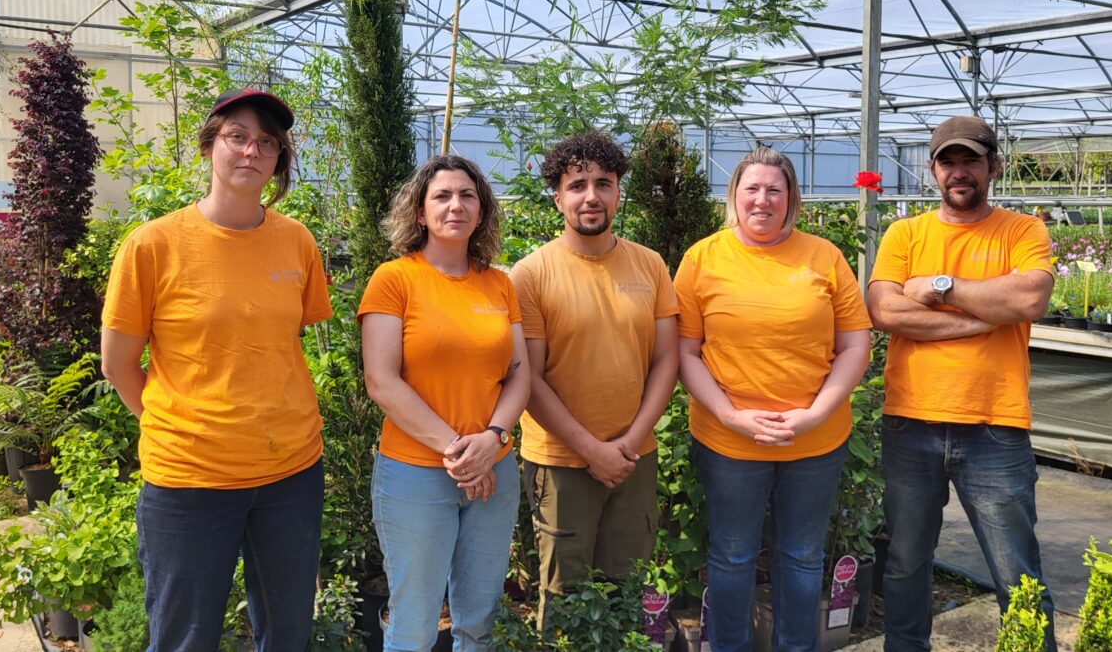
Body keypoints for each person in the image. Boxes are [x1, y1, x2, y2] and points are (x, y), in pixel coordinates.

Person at [101, 87, 332, 651]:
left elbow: (279, 344)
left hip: (291, 472)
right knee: (185, 637)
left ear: (279, 159)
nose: (252, 151)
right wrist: (182, 423)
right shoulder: (152, 245)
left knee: (287, 632)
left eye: (267, 143)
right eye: (238, 137)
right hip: (189, 479)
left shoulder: (297, 242)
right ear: (209, 146)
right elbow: (118, 364)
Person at [867, 116, 1056, 652]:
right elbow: (883, 309)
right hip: (911, 422)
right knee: (905, 564)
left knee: (1016, 570)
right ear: (932, 170)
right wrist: (982, 314)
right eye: (947, 161)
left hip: (994, 427)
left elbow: (1028, 300)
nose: (958, 172)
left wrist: (940, 287)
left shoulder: (1022, 231)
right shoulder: (906, 233)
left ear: (993, 166)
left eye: (970, 160)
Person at [674, 146, 872, 652]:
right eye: (751, 189)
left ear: (791, 199)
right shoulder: (702, 258)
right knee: (733, 556)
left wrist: (816, 413)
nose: (762, 200)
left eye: (774, 190)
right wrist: (730, 415)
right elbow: (685, 351)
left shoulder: (824, 256)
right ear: (734, 196)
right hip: (729, 440)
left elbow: (855, 344)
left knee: (802, 556)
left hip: (816, 439)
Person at [358, 155, 530, 652]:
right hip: (415, 474)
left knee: (479, 619)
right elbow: (382, 381)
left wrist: (493, 438)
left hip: (493, 469)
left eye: (467, 195)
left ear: (481, 211)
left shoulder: (499, 284)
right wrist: (462, 453)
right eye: (442, 196)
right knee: (414, 621)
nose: (456, 205)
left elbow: (520, 374)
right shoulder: (394, 279)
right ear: (419, 212)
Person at [510, 131, 679, 624]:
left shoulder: (648, 265)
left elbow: (666, 360)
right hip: (562, 461)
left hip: (634, 457)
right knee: (564, 594)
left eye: (603, 183)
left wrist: (631, 440)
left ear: (618, 192)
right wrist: (592, 450)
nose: (591, 196)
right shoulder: (531, 274)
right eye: (577, 184)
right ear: (558, 196)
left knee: (627, 588)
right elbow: (530, 379)